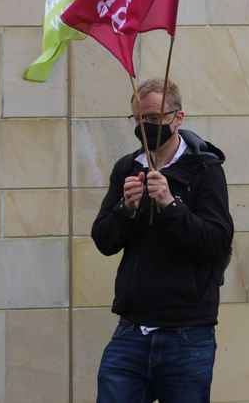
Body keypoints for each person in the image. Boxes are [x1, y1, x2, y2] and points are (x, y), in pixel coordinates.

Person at [91, 78, 234, 403]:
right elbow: (103, 240)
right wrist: (125, 208)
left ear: (177, 118)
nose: (147, 126)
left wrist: (171, 205)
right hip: (131, 331)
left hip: (187, 335)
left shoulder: (205, 169)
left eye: (155, 119)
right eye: (140, 119)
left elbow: (217, 242)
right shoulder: (127, 168)